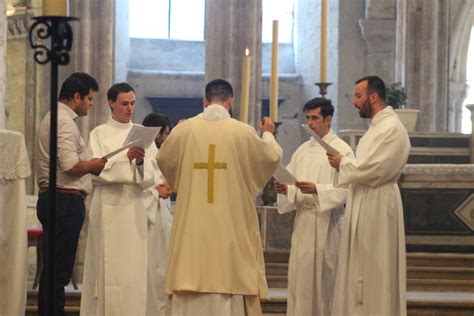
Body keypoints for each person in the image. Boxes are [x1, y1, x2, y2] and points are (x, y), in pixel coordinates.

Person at [157, 79, 282, 316]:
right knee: (229, 281)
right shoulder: (243, 131)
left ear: (205, 102)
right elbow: (271, 157)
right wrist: (268, 134)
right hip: (230, 228)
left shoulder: (184, 130)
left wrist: (187, 184)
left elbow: (164, 160)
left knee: (190, 275)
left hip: (193, 229)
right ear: (230, 101)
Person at [327, 75, 410, 315]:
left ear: (373, 97)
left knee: (376, 269)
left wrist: (344, 162)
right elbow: (365, 165)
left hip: (378, 205)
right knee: (359, 268)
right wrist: (345, 164)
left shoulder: (392, 129)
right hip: (364, 200)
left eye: (358, 96)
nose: (354, 101)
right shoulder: (376, 128)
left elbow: (377, 169)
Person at [80, 83, 159, 315]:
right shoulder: (98, 134)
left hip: (134, 207)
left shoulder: (143, 134)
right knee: (107, 273)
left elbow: (152, 176)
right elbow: (95, 170)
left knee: (133, 273)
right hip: (108, 207)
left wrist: (141, 162)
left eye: (133, 103)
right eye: (124, 103)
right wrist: (126, 159)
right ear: (111, 103)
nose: (130, 108)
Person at [35, 72, 107, 316]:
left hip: (58, 199)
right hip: (63, 200)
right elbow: (69, 165)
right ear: (76, 96)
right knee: (58, 273)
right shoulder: (63, 121)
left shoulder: (56, 118)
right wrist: (93, 165)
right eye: (89, 98)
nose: (91, 103)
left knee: (54, 271)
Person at [274, 97, 353, 316]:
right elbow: (292, 182)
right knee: (301, 282)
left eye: (315, 118)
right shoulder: (303, 150)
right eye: (307, 118)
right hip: (304, 222)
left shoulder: (341, 150)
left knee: (325, 283)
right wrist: (285, 189)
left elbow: (348, 189)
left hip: (328, 223)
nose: (310, 123)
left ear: (328, 119)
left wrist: (318, 189)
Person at [142, 113, 173, 316]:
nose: (168, 138)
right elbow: (134, 188)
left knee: (161, 270)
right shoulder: (143, 153)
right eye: (167, 134)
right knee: (152, 272)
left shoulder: (158, 153)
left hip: (161, 217)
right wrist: (155, 192)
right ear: (157, 134)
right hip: (148, 222)